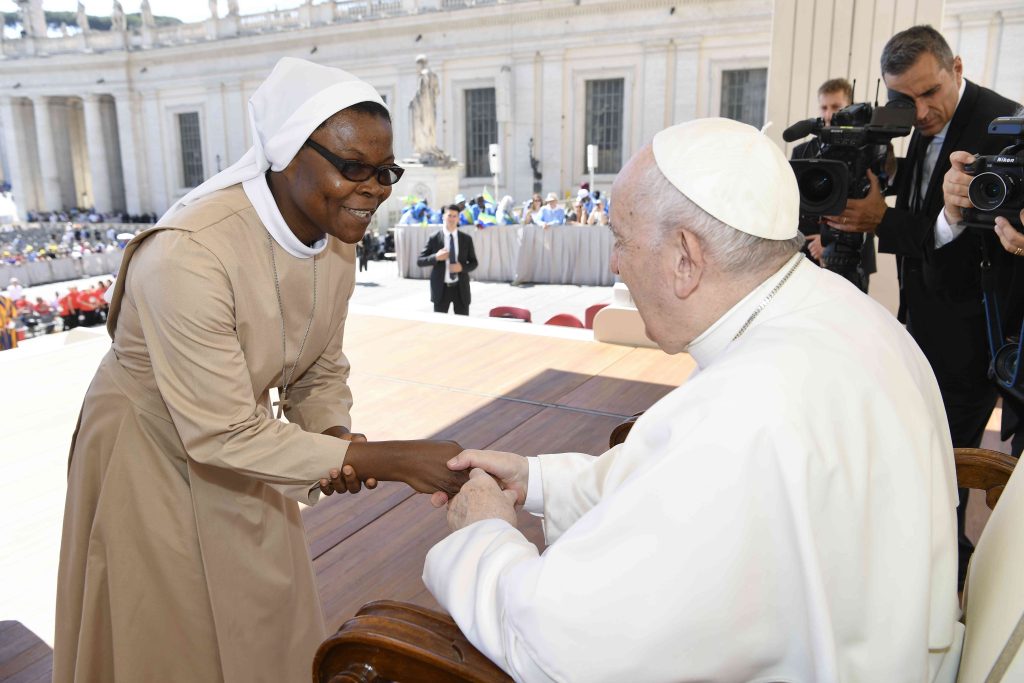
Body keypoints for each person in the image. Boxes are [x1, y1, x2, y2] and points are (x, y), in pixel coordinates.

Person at [423, 118, 962, 681]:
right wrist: (537, 480)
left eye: (621, 241)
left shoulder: (748, 407)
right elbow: (673, 480)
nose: (614, 264)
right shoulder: (836, 309)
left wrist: (484, 533)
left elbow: (562, 644)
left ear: (685, 257)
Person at [53, 58, 469, 683]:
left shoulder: (336, 240)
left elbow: (319, 367)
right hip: (148, 449)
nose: (375, 189)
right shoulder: (188, 254)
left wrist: (335, 438)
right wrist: (386, 459)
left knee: (262, 610)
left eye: (386, 171)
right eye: (353, 167)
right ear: (284, 153)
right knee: (168, 630)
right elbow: (219, 432)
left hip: (243, 435)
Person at [827, 25, 1020, 585]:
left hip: (973, 338)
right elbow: (924, 203)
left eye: (930, 92)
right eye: (903, 98)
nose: (920, 111)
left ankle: (943, 576)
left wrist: (882, 221)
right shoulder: (921, 120)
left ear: (956, 68)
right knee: (928, 459)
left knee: (945, 464)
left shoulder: (1002, 125)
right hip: (924, 324)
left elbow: (965, 245)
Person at [790, 78, 877, 291]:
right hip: (807, 256)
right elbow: (795, 206)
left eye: (836, 107)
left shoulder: (867, 150)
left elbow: (871, 201)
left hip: (853, 257)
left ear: (850, 107)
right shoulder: (802, 152)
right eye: (824, 107)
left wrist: (828, 241)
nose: (829, 115)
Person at [417, 204, 478, 315]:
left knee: (462, 323)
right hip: (441, 289)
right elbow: (420, 261)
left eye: (455, 216)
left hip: (460, 289)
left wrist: (461, 267)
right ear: (443, 217)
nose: (452, 219)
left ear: (458, 218)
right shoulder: (434, 238)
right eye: (449, 215)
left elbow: (474, 263)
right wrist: (436, 257)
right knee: (439, 323)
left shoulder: (466, 239)